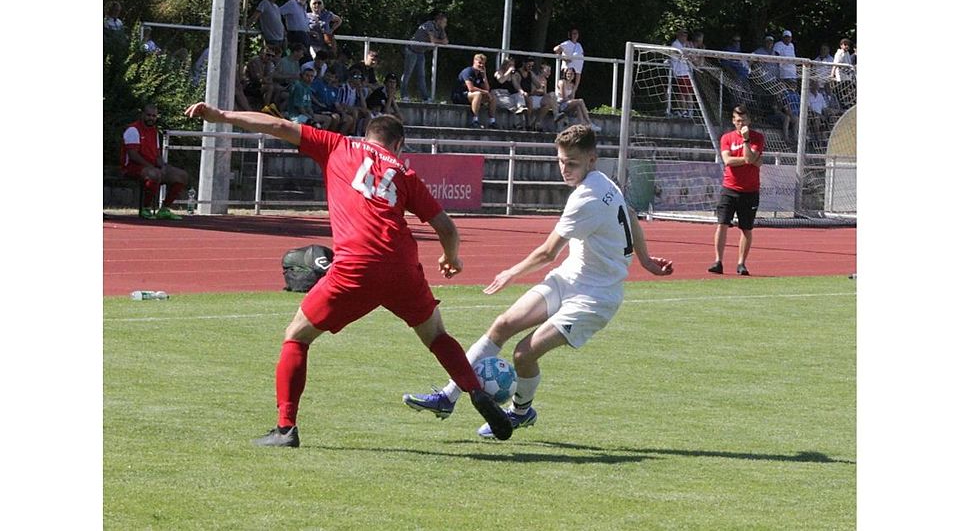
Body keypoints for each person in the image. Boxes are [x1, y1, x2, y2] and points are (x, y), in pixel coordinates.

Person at [182, 104, 515, 445]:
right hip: (401, 266)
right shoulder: (403, 173)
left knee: (297, 335)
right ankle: (476, 392)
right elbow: (445, 226)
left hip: (356, 265)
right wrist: (451, 257)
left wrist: (222, 115)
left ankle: (285, 428)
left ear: (368, 135)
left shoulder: (337, 145)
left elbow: (278, 125)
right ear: (398, 145)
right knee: (436, 335)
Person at [402, 124, 674, 438]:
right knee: (503, 324)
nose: (564, 169)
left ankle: (521, 412)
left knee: (523, 354)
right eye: (561, 161)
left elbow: (547, 253)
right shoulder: (602, 182)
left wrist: (510, 273)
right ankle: (448, 397)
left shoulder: (587, 197)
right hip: (570, 278)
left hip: (595, 297)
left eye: (572, 163)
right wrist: (646, 261)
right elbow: (629, 213)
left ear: (591, 160)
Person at [708, 105, 765, 276]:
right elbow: (728, 161)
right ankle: (718, 261)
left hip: (750, 190)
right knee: (722, 224)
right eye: (738, 121)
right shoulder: (727, 138)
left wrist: (746, 141)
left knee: (746, 228)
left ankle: (741, 263)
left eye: (744, 120)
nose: (741, 124)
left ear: (749, 121)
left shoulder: (757, 137)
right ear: (733, 121)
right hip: (730, 187)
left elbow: (749, 157)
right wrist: (752, 160)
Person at [120, 104, 190, 220]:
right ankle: (145, 208)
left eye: (154, 116)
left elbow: (157, 155)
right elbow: (133, 155)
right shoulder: (133, 129)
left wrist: (163, 166)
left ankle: (164, 209)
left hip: (151, 167)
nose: (151, 118)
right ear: (142, 114)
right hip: (132, 168)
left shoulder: (154, 131)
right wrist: (152, 168)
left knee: (181, 175)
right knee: (154, 174)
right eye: (148, 115)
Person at [401, 12, 448, 102]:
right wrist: (440, 41)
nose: (445, 24)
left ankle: (425, 98)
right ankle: (404, 95)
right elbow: (433, 40)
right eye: (444, 22)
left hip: (420, 52)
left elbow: (446, 41)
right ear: (438, 21)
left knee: (421, 75)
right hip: (412, 50)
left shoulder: (441, 29)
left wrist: (440, 40)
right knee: (407, 73)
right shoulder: (429, 25)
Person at [452, 53, 498, 129]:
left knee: (493, 97)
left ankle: (492, 122)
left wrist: (484, 76)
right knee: (478, 94)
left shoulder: (480, 74)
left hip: (472, 96)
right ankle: (474, 121)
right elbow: (471, 88)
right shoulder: (468, 71)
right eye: (479, 63)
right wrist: (485, 92)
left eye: (483, 64)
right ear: (474, 61)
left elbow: (487, 89)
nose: (481, 65)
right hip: (460, 95)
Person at [556, 67, 600, 132]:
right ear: (565, 74)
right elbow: (563, 97)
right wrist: (572, 100)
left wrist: (573, 98)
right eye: (568, 74)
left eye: (572, 74)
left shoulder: (572, 85)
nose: (570, 75)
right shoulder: (562, 82)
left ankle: (582, 125)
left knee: (578, 105)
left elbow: (572, 98)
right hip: (560, 105)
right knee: (580, 101)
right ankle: (589, 122)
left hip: (567, 105)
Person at [669, 28, 694, 117]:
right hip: (680, 72)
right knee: (682, 93)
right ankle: (683, 111)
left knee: (688, 92)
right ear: (678, 35)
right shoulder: (676, 45)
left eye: (686, 35)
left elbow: (690, 56)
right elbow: (682, 56)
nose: (685, 37)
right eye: (683, 35)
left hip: (687, 72)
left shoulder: (685, 44)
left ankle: (689, 111)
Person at [831, 38, 856, 109]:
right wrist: (832, 74)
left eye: (848, 45)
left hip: (848, 76)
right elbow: (835, 64)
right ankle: (844, 106)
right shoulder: (839, 53)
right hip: (841, 77)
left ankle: (849, 104)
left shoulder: (847, 53)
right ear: (841, 45)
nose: (846, 46)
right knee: (842, 92)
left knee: (849, 91)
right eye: (845, 45)